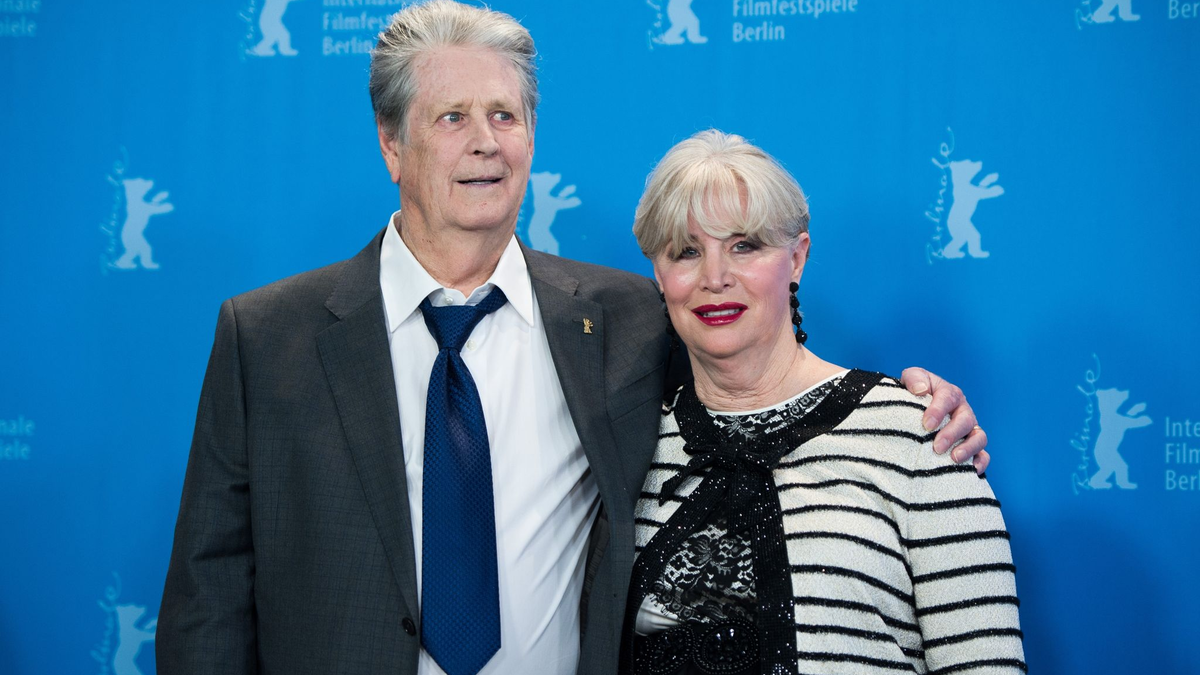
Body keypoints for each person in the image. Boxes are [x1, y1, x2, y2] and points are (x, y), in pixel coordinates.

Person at [156, 3, 989, 675]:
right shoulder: (267, 338)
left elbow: (758, 377)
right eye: (452, 117)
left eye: (505, 115)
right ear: (391, 145)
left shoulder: (627, 319)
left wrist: (919, 405)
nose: (486, 141)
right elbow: (208, 601)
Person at [622, 130, 1025, 674]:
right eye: (687, 252)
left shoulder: (920, 434)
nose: (715, 278)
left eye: (745, 246)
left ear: (797, 258)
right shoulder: (629, 441)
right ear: (659, 273)